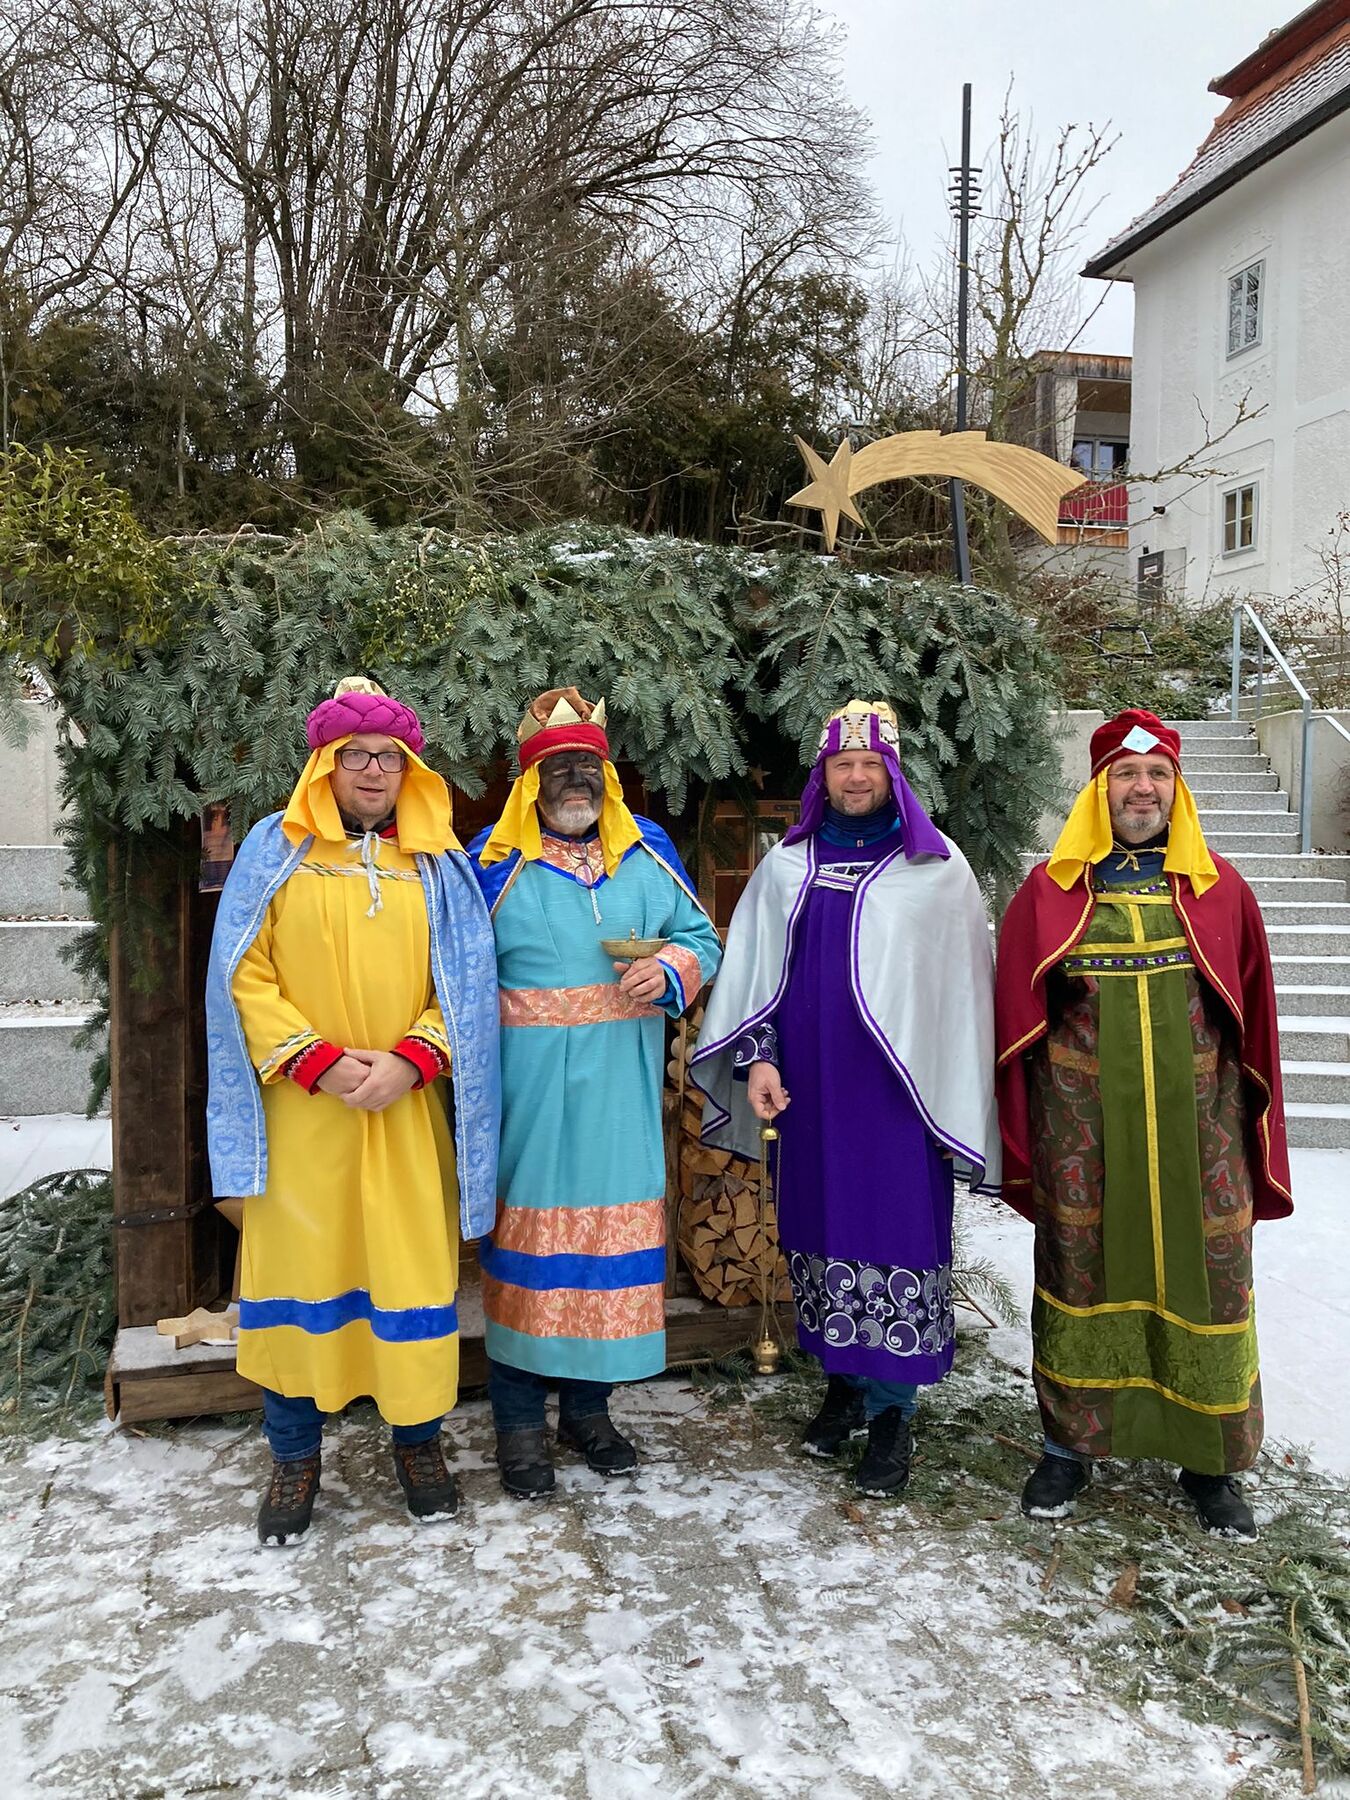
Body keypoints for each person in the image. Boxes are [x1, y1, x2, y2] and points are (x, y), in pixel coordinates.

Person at [206, 677, 500, 1544]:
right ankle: (295, 1455)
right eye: (356, 755)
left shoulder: (438, 863)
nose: (374, 770)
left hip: (405, 1114)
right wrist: (318, 1062)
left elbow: (468, 985)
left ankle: (418, 1443)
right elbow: (242, 972)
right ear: (325, 767)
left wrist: (413, 1060)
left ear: (409, 770)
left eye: (389, 757)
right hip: (305, 1118)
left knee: (410, 1276)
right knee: (299, 1276)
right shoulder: (277, 850)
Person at [995, 709, 1291, 1537]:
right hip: (1083, 1133)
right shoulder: (1048, 893)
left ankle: (1211, 1461)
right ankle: (1069, 1448)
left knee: (1211, 1279)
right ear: (1098, 789)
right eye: (1125, 774)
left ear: (1177, 789)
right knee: (1081, 1272)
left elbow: (1255, 1023)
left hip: (1203, 1136)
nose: (1142, 788)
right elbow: (1013, 1026)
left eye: (1158, 773)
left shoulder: (1222, 891)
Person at [691, 700, 1000, 1497]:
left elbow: (962, 997)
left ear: (892, 774)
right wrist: (759, 1060)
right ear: (822, 776)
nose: (856, 777)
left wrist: (947, 1090)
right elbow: (759, 978)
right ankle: (844, 1385)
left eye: (870, 765)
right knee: (818, 1230)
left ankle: (894, 1414)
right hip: (810, 1090)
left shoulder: (938, 871)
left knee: (895, 1235)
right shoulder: (787, 865)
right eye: (842, 765)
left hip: (899, 1099)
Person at [468, 687, 722, 1498]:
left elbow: (701, 938)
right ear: (529, 782)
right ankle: (517, 1424)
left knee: (609, 1245)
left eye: (587, 765)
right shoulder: (492, 863)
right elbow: (452, 969)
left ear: (607, 776)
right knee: (530, 1245)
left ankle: (588, 1410)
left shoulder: (646, 850)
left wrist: (671, 970)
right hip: (531, 1092)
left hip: (621, 1083)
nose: (574, 779)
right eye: (557, 768)